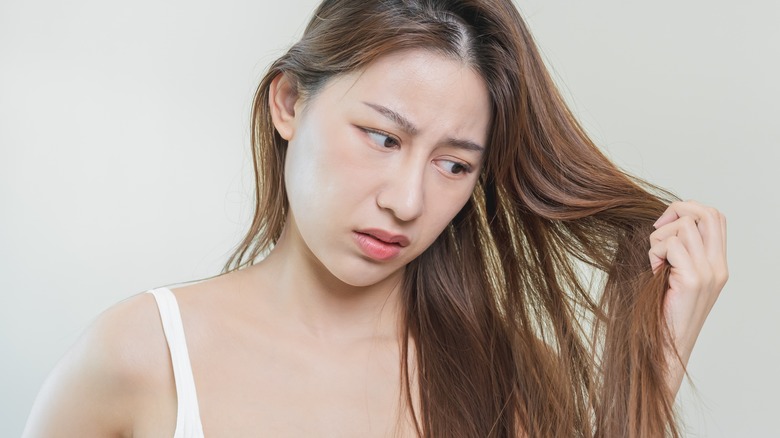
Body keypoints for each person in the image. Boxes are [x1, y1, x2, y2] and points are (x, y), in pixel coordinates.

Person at [23, 0, 728, 436]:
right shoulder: (143, 354)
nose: (407, 200)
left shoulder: (502, 376)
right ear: (290, 103)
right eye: (383, 138)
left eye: (454, 164)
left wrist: (658, 362)